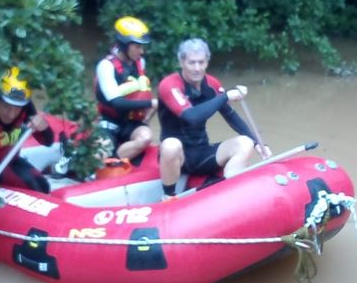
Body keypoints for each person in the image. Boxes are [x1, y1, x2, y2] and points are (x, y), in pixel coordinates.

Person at [156, 38, 272, 199]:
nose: (197, 68)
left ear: (207, 62)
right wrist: (224, 96)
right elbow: (191, 117)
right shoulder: (169, 85)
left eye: (201, 62)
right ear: (181, 62)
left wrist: (258, 143)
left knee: (245, 142)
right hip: (177, 157)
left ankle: (230, 190)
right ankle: (168, 196)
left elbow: (230, 115)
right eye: (192, 63)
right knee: (170, 145)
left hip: (201, 152)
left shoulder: (211, 84)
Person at [0, 66, 54, 193]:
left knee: (42, 186)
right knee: (32, 186)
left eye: (17, 108)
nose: (11, 114)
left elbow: (48, 141)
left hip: (8, 160)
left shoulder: (24, 106)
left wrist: (44, 128)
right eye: (6, 107)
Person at [95, 16, 158, 162]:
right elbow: (117, 103)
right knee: (99, 154)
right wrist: (151, 104)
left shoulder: (140, 62)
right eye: (137, 46)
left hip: (131, 122)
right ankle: (102, 156)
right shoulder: (106, 66)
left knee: (146, 137)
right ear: (124, 45)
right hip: (109, 121)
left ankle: (115, 161)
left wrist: (147, 115)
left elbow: (140, 93)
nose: (141, 51)